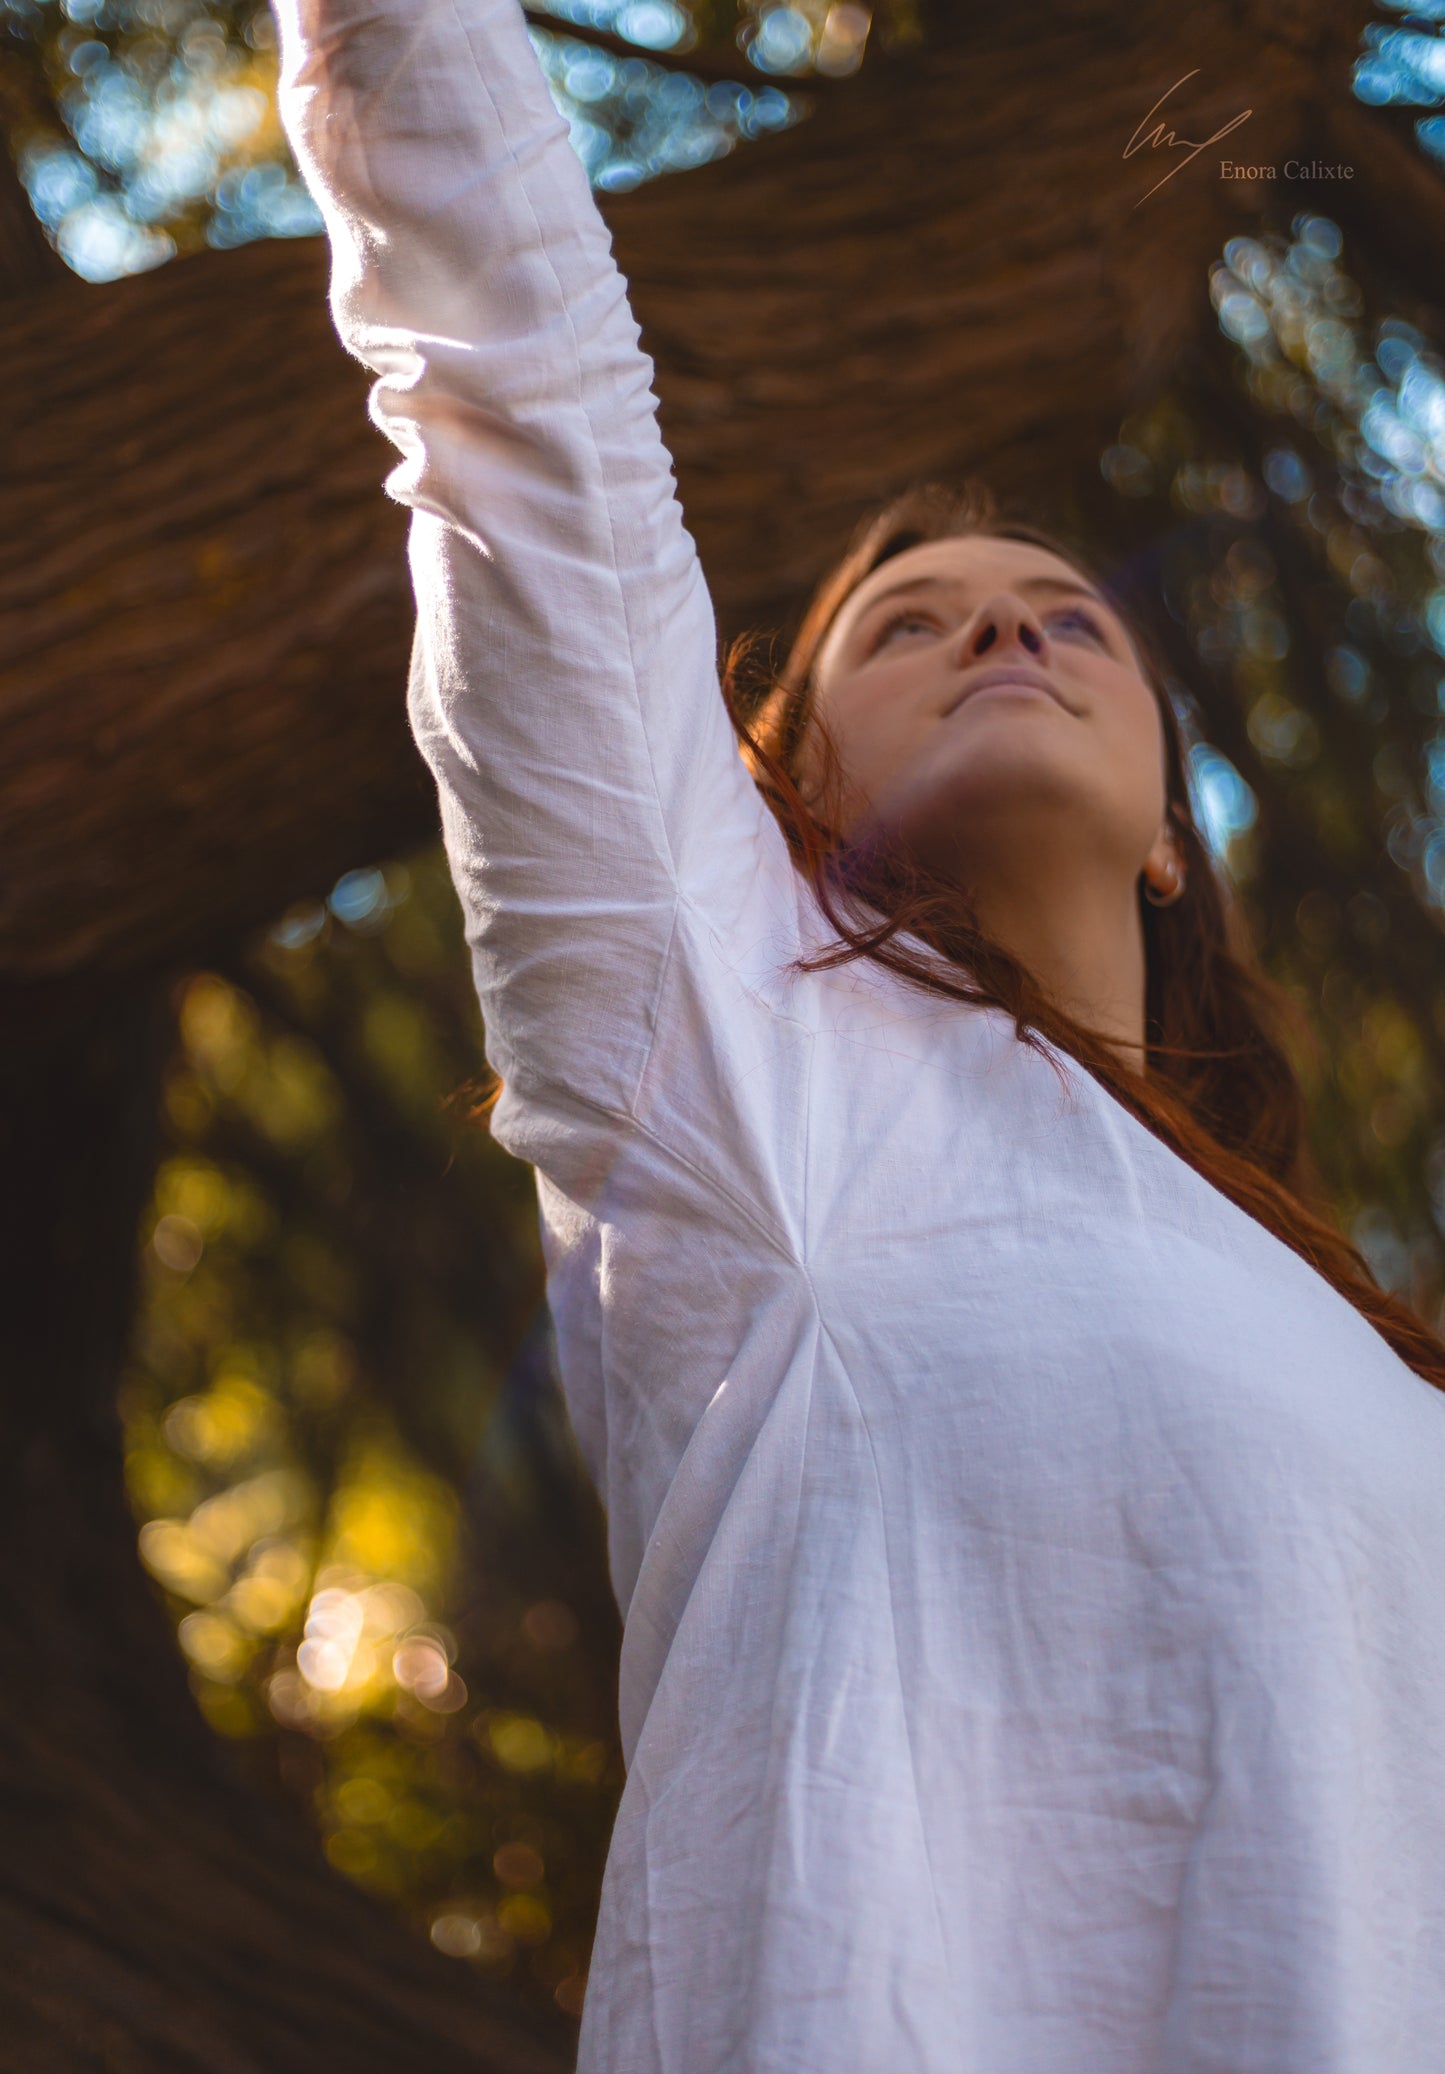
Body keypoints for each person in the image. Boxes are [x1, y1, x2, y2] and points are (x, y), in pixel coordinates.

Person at [271, 3, 1445, 2068]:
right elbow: (515, 392)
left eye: (1072, 614)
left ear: (1177, 840)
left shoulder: (1373, 1350)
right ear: (780, 787)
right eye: (912, 623)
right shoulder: (735, 1066)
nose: (1006, 624)